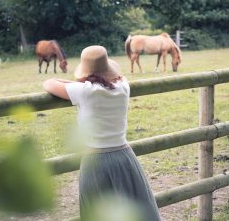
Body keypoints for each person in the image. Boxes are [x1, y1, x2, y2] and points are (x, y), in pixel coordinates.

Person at [43, 45, 161, 220]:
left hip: (95, 161)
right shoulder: (123, 86)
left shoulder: (84, 91)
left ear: (86, 72)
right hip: (124, 157)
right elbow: (114, 80)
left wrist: (79, 82)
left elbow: (49, 83)